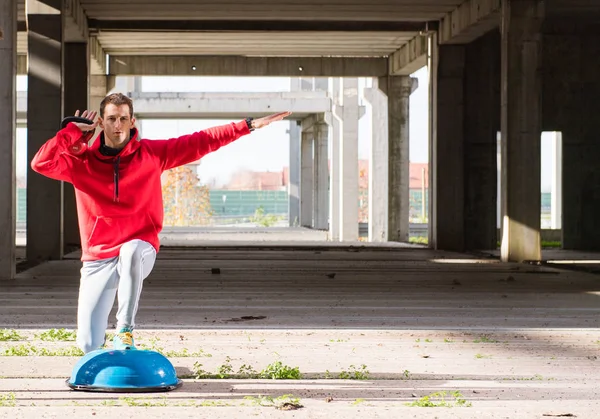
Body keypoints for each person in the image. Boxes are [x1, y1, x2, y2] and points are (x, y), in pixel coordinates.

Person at [31, 92, 291, 354]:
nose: (118, 125)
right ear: (101, 122)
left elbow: (201, 141)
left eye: (123, 118)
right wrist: (72, 134)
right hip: (98, 256)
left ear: (132, 122)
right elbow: (41, 163)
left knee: (130, 251)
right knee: (88, 344)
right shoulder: (81, 162)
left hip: (139, 248)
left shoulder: (152, 154)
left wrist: (247, 125)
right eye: (111, 119)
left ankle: (125, 331)